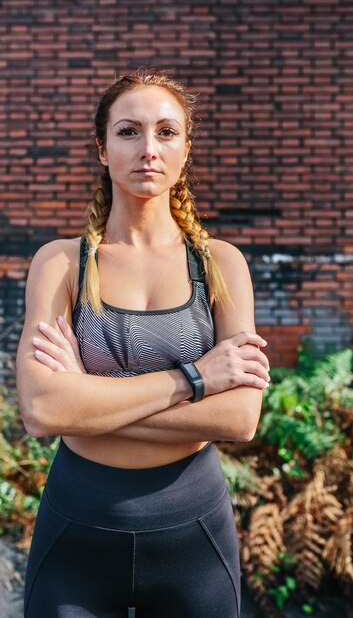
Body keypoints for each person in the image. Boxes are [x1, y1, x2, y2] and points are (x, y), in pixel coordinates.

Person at [16, 69, 270, 618]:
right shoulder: (61, 263)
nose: (148, 149)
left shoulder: (220, 264)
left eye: (166, 132)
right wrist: (193, 379)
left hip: (193, 534)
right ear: (103, 150)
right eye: (128, 131)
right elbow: (40, 409)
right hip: (77, 530)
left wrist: (87, 402)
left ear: (185, 150)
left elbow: (240, 418)